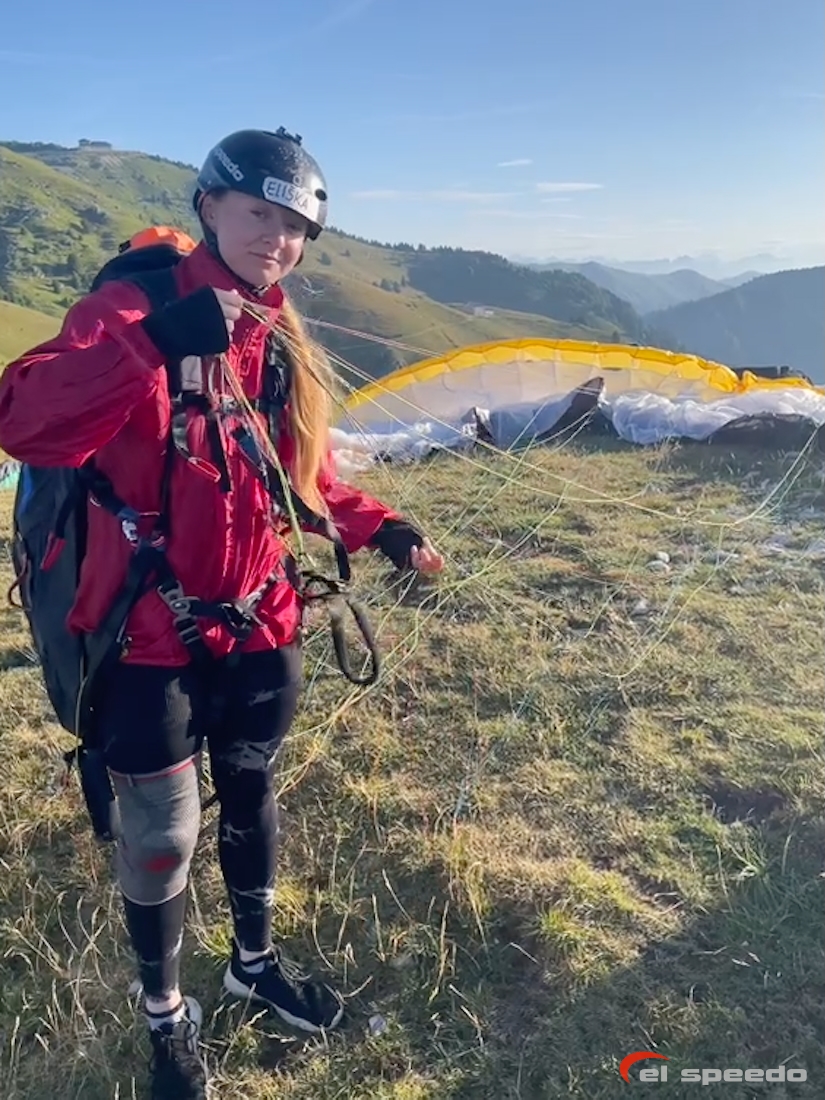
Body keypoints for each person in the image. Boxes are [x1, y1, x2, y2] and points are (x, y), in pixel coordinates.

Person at [0, 127, 444, 1100]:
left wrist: (387, 528)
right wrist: (153, 344)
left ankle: (252, 957)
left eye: (295, 227)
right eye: (260, 215)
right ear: (210, 206)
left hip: (259, 620)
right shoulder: (133, 304)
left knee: (250, 787)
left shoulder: (275, 333)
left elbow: (301, 472)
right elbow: (25, 418)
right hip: (144, 632)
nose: (278, 240)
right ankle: (165, 1015)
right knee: (159, 828)